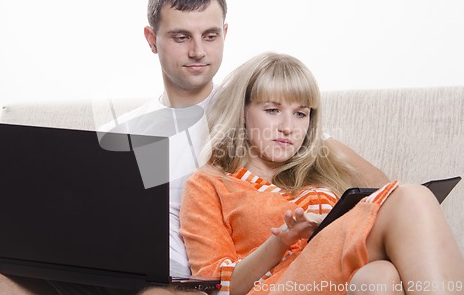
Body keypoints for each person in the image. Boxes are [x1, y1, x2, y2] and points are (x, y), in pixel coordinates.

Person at [0, 0, 389, 294]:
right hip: (114, 274)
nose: (198, 52)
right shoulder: (124, 133)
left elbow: (356, 181)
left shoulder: (257, 112)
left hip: (204, 282)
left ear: (225, 34)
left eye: (209, 35)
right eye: (181, 37)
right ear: (152, 39)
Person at [179, 52, 464, 295]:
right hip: (272, 288)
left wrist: (325, 146)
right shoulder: (209, 183)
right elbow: (215, 285)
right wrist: (280, 242)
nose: (288, 127)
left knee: (378, 277)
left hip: (332, 281)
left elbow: (387, 194)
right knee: (412, 197)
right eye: (272, 110)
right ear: (241, 113)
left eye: (301, 114)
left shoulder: (322, 169)